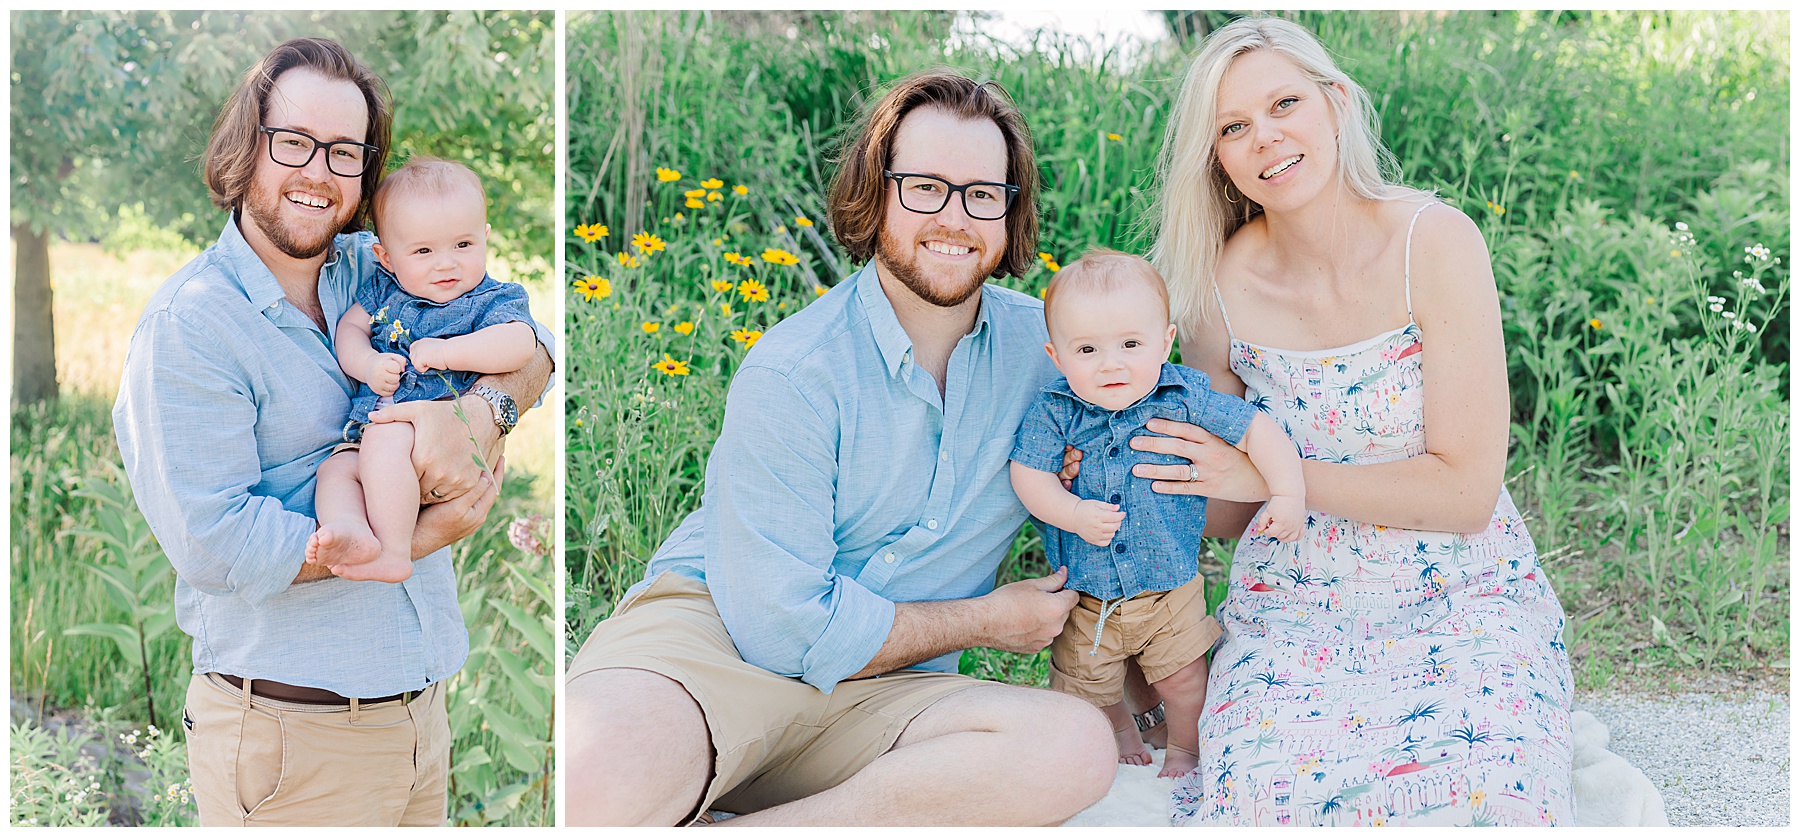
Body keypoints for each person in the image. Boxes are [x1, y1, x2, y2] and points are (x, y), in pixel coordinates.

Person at [565, 71, 1117, 826]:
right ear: (877, 191)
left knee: (1073, 749)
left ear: (1009, 212)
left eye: (983, 194)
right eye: (925, 186)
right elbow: (779, 625)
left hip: (891, 691)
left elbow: (1148, 432)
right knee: (597, 775)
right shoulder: (794, 370)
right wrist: (985, 621)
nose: (955, 218)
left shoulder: (1046, 353)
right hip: (719, 644)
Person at [1119, 17, 1574, 826]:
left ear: (1335, 103)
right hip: (1294, 607)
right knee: (1265, 804)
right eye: (1234, 126)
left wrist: (1273, 477)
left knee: (1488, 803)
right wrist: (1137, 465)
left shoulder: (1433, 242)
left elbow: (1468, 491)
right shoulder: (1215, 285)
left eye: (1285, 103)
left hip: (1462, 594)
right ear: (1217, 154)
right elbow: (1226, 513)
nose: (1266, 138)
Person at [112, 38, 553, 826]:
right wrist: (411, 537)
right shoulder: (190, 328)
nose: (318, 171)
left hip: (419, 715)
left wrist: (484, 413)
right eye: (295, 142)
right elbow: (215, 541)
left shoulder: (375, 267)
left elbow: (539, 341)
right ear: (246, 146)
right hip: (294, 737)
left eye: (344, 152)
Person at [1009, 249, 1304, 778]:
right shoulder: (1055, 410)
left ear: (1165, 343)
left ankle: (1186, 749)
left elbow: (1255, 428)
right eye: (1087, 349)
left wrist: (1286, 492)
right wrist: (1070, 512)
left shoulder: (1182, 395)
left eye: (1130, 344)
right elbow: (1027, 474)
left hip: (1169, 587)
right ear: (1057, 357)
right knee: (1085, 689)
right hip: (1087, 596)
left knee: (1187, 681)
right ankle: (1121, 727)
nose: (1111, 363)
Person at [307, 158, 539, 583]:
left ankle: (394, 551)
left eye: (463, 246)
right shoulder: (383, 290)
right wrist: (368, 363)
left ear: (485, 239)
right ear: (387, 257)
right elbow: (349, 330)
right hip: (369, 430)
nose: (446, 264)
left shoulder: (490, 299)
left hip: (426, 436)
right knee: (336, 471)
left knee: (386, 444)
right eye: (424, 251)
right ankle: (353, 532)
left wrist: (450, 352)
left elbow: (521, 343)